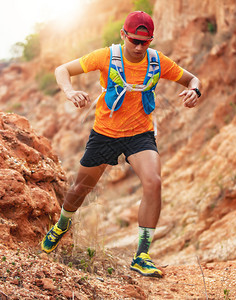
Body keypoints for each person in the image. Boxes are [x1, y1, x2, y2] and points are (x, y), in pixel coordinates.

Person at [41, 11, 202, 278]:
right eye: (135, 41)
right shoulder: (106, 56)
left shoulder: (157, 61)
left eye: (145, 42)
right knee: (81, 188)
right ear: (123, 35)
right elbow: (62, 70)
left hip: (140, 134)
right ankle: (61, 224)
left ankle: (142, 255)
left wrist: (194, 91)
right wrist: (70, 92)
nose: (140, 47)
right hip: (105, 133)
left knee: (154, 182)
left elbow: (192, 79)